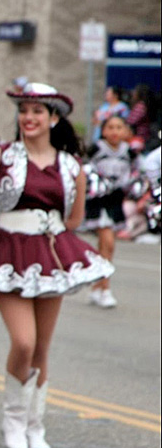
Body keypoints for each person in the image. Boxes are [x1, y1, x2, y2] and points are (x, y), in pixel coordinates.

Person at [0, 82, 114, 448]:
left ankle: (36, 425)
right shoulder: (0, 156)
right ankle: (14, 419)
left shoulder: (71, 166)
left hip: (50, 256)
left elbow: (75, 219)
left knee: (42, 350)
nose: (28, 117)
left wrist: (52, 237)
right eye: (23, 110)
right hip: (7, 253)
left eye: (37, 111)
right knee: (24, 341)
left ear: (54, 118)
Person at [82, 115, 135, 308]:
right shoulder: (96, 149)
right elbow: (83, 168)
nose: (114, 131)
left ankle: (97, 286)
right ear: (103, 131)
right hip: (98, 201)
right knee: (108, 242)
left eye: (119, 127)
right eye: (110, 127)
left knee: (106, 247)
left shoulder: (129, 152)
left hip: (115, 201)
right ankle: (105, 288)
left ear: (125, 131)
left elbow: (138, 172)